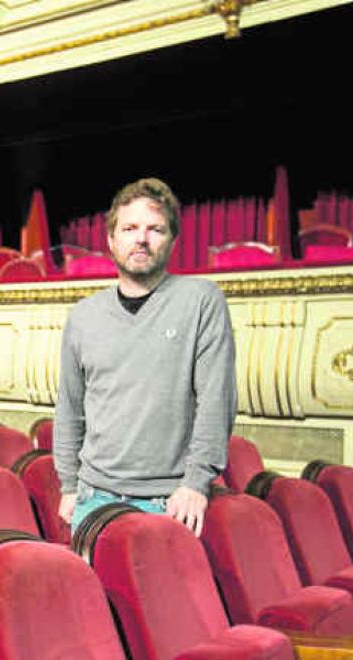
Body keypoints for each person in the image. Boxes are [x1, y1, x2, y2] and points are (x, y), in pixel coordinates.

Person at [54, 178, 236, 537]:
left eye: (155, 229)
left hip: (168, 503)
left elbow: (216, 401)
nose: (141, 238)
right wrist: (69, 486)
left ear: (172, 240)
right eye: (130, 228)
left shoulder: (201, 301)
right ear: (111, 240)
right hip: (92, 500)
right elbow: (70, 408)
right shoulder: (83, 316)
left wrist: (196, 484)